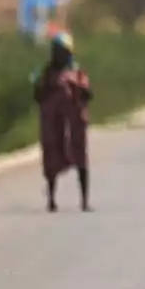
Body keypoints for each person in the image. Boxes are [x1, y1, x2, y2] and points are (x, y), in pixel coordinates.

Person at [33, 31, 93, 213]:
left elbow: (89, 94)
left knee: (80, 158)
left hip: (74, 123)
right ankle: (51, 200)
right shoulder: (46, 73)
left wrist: (77, 87)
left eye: (62, 51)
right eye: (56, 51)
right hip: (53, 124)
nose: (58, 55)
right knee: (52, 159)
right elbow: (37, 96)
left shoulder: (77, 72)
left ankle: (84, 201)